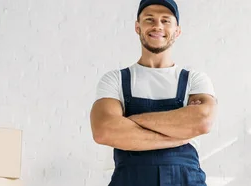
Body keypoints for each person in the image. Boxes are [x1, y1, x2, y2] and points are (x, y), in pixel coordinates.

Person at [89, 0, 217, 185]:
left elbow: (203, 122)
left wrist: (130, 121)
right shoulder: (114, 80)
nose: (157, 25)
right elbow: (103, 131)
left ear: (177, 31)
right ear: (137, 27)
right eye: (149, 19)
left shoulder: (195, 80)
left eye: (166, 20)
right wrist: (178, 134)